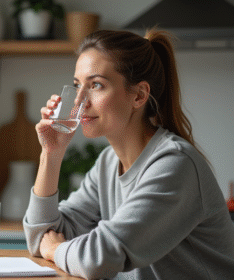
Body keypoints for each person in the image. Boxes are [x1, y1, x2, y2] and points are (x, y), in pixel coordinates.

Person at [23, 28, 234, 279]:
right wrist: (52, 152)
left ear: (139, 95)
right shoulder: (108, 164)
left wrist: (56, 249)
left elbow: (100, 258)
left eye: (96, 85)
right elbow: (39, 238)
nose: (79, 101)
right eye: (78, 85)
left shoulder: (175, 165)